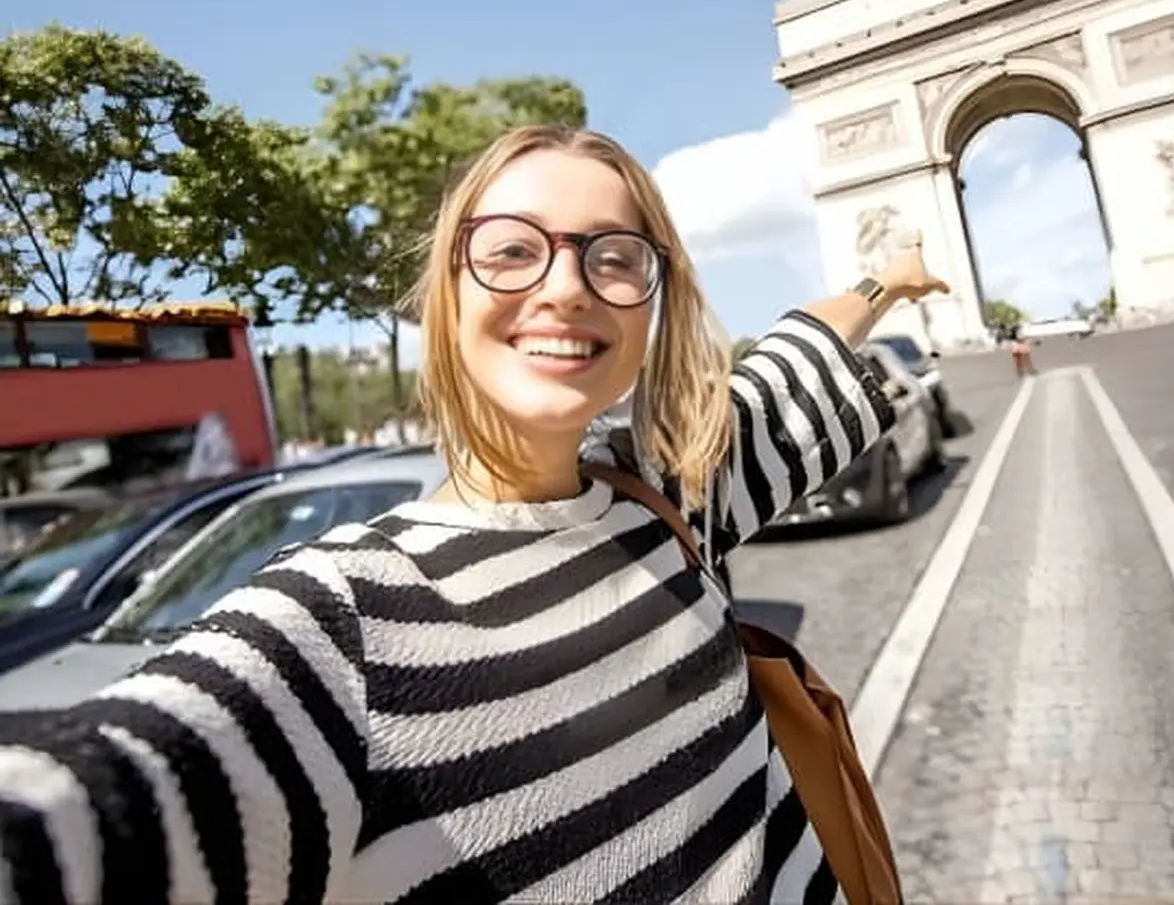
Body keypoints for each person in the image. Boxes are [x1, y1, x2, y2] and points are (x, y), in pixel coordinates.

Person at [0, 125, 949, 904]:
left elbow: (796, 356)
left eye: (614, 257)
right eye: (510, 251)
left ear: (653, 304)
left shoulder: (668, 497)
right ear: (444, 298)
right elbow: (91, 802)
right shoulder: (344, 625)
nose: (566, 284)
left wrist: (889, 282)